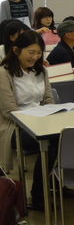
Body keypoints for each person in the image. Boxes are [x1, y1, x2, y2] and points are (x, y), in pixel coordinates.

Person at [0, 30, 56, 210]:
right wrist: (34, 120)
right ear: (16, 50)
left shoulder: (41, 71)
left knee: (63, 137)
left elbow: (48, 100)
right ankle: (40, 194)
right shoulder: (4, 73)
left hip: (42, 120)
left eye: (39, 52)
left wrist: (49, 115)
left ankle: (54, 186)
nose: (35, 57)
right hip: (15, 126)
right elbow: (9, 110)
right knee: (50, 143)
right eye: (31, 52)